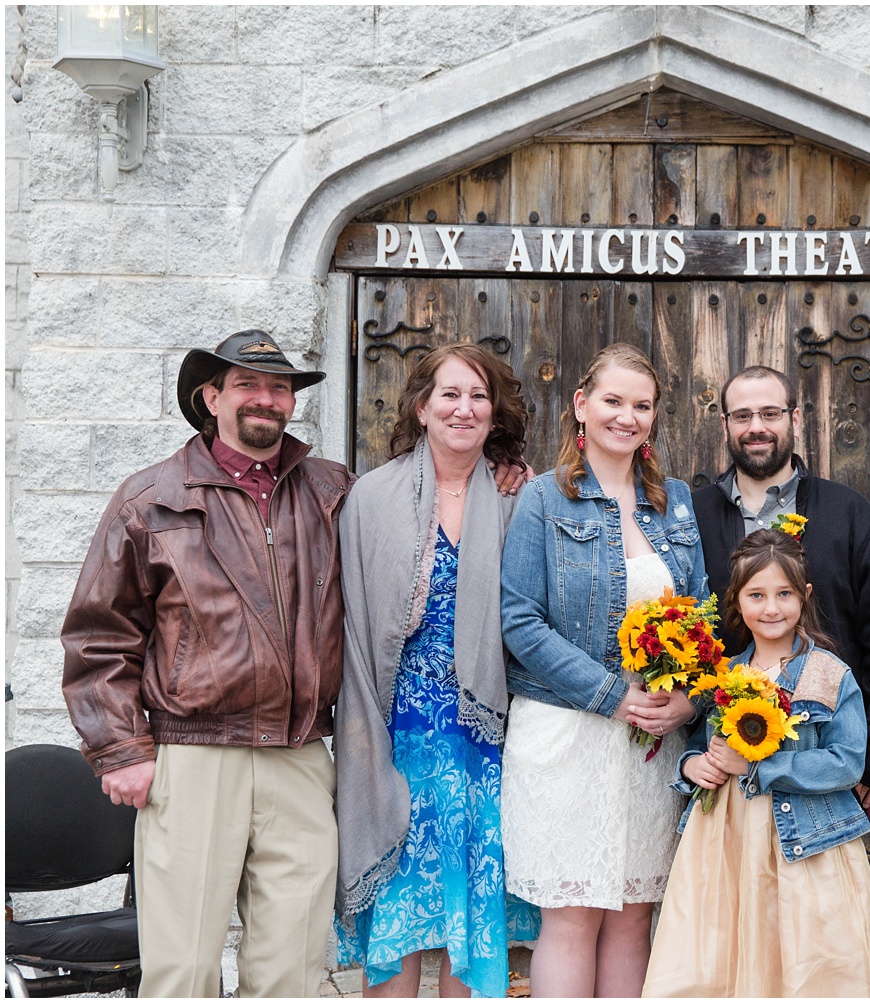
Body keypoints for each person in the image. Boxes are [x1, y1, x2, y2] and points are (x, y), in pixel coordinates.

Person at [58, 331, 352, 997]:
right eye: (247, 383)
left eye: (279, 387)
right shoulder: (150, 498)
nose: (267, 398)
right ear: (211, 396)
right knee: (183, 969)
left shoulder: (331, 491)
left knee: (295, 972)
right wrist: (119, 746)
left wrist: (500, 467)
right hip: (192, 755)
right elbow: (98, 634)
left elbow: (417, 509)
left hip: (300, 755)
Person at [500, 342, 708, 998]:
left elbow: (702, 617)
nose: (627, 416)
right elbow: (520, 621)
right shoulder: (544, 499)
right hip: (568, 732)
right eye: (613, 401)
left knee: (632, 912)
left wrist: (687, 702)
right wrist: (613, 693)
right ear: (581, 406)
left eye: (641, 405)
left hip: (651, 744)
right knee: (572, 912)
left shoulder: (675, 502)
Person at [334, 344, 540, 997]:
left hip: (488, 740)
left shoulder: (518, 497)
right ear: (422, 407)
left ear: (494, 411)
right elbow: (352, 622)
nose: (464, 407)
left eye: (478, 396)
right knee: (398, 933)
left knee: (471, 933)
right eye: (449, 394)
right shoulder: (371, 497)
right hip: (396, 735)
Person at [642, 529, 870, 997]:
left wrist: (760, 768)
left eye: (784, 594)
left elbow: (847, 762)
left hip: (807, 844)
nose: (771, 609)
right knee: (720, 948)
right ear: (736, 600)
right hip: (726, 840)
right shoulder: (726, 675)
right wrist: (693, 766)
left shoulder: (830, 675)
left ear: (804, 596)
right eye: (756, 595)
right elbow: (703, 743)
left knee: (803, 953)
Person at [692, 365, 870, 820]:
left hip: (824, 778)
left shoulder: (847, 512)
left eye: (770, 413)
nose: (756, 426)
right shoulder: (692, 515)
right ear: (724, 426)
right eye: (741, 416)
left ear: (795, 420)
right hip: (719, 776)